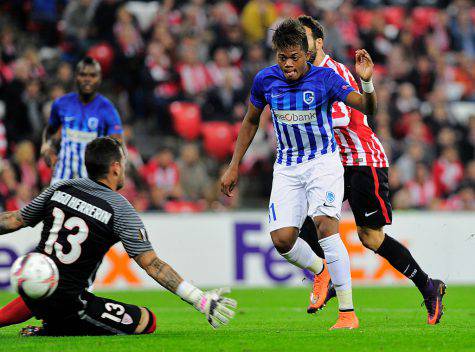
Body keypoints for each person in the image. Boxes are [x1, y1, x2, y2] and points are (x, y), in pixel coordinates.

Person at [221, 19, 377, 330]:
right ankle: (321, 271)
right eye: (282, 57)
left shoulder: (325, 79)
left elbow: (367, 107)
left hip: (322, 162)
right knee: (282, 240)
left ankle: (347, 313)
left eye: (294, 57)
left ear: (307, 53)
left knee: (325, 227)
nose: (288, 64)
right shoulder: (265, 80)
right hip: (287, 167)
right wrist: (234, 163)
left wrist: (367, 82)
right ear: (276, 55)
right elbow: (251, 121)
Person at [0, 137, 236, 336]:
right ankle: (52, 329)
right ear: (115, 167)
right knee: (147, 320)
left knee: (52, 288)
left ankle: (48, 323)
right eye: (123, 163)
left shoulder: (62, 188)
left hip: (35, 290)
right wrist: (198, 298)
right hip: (72, 304)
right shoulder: (119, 208)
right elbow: (152, 264)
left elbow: (14, 220)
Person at [297, 15, 446, 325]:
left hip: (363, 159)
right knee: (307, 223)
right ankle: (328, 278)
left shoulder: (333, 73)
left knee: (371, 237)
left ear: (319, 43)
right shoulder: (304, 75)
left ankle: (429, 287)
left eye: (304, 39)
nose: (299, 45)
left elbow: (341, 119)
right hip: (335, 164)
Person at [40, 56, 124, 184]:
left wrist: (114, 175)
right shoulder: (61, 104)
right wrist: (48, 149)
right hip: (63, 175)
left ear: (99, 78)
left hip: (91, 178)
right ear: (76, 77)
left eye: (92, 75)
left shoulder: (107, 109)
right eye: (83, 74)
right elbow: (50, 130)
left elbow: (117, 143)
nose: (87, 79)